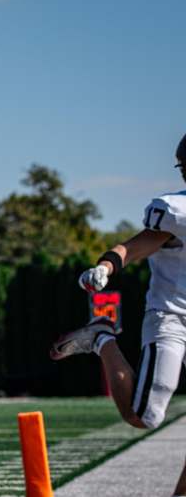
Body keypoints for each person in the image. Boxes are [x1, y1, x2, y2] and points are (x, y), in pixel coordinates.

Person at [51, 133, 186, 497]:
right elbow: (135, 245)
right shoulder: (177, 212)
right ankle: (102, 338)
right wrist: (108, 266)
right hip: (174, 319)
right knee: (144, 415)